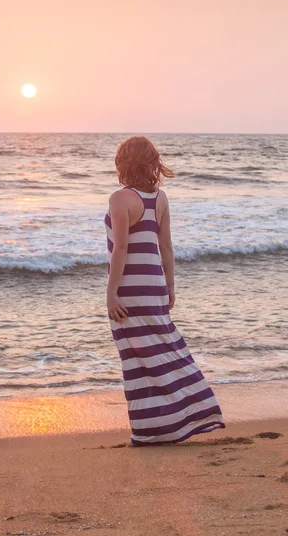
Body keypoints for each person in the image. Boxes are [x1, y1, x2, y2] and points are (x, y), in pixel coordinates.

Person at [104, 136, 225, 445]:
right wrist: (170, 286)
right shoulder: (160, 198)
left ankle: (149, 432)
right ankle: (184, 418)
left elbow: (120, 249)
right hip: (154, 285)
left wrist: (111, 293)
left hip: (130, 289)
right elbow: (167, 247)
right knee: (164, 352)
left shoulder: (120, 198)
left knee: (137, 359)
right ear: (151, 162)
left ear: (123, 163)